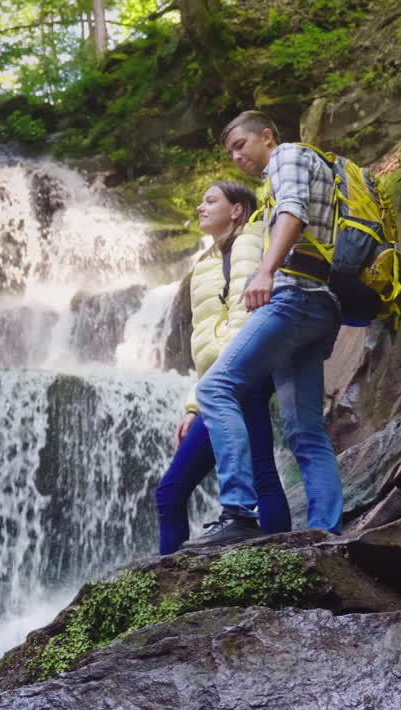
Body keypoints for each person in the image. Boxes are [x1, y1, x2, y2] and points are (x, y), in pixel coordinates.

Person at [187, 110, 344, 546]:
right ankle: (326, 534)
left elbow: (293, 211)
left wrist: (265, 272)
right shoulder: (293, 170)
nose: (237, 156)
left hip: (294, 300)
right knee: (304, 430)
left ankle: (238, 509)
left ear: (267, 137)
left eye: (241, 144)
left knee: (215, 388)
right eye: (231, 151)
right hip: (320, 307)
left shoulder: (289, 157)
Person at [154, 181, 290, 555]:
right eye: (200, 200)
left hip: (241, 376)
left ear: (237, 209)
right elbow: (204, 343)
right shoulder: (206, 264)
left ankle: (287, 564)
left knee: (260, 474)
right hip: (219, 385)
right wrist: (194, 403)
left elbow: (246, 318)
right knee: (170, 492)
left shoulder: (249, 242)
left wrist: (215, 385)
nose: (200, 207)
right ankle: (171, 591)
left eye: (211, 200)